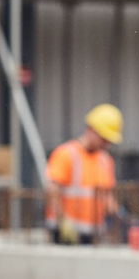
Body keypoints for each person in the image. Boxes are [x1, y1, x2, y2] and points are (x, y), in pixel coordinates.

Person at [45, 103, 123, 245]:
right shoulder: (66, 154)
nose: (107, 144)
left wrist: (120, 216)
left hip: (93, 233)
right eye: (104, 139)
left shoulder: (105, 160)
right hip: (65, 233)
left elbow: (107, 196)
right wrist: (63, 222)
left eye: (109, 141)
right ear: (91, 130)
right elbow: (52, 190)